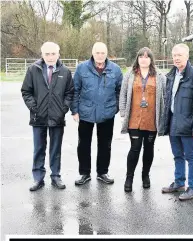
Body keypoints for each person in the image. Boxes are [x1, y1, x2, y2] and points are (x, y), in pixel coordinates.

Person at [21, 41, 74, 191]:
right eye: (47, 54)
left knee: (55, 148)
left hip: (57, 118)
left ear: (58, 54)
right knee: (39, 148)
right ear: (42, 54)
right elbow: (26, 91)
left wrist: (63, 108)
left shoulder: (65, 71)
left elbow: (70, 92)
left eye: (53, 54)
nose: (50, 57)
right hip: (38, 117)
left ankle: (56, 176)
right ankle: (38, 178)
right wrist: (34, 107)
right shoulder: (33, 70)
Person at [70, 42, 123, 186]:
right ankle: (84, 173)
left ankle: (102, 172)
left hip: (107, 113)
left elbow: (120, 91)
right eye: (97, 53)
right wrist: (74, 110)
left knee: (105, 144)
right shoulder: (82, 68)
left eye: (103, 53)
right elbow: (75, 90)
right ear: (92, 53)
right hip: (85, 113)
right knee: (83, 144)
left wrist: (115, 108)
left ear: (107, 54)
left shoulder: (116, 70)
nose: (100, 56)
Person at [160, 43, 193, 200]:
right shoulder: (171, 75)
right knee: (177, 155)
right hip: (173, 122)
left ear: (187, 56)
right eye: (174, 55)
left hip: (189, 124)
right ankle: (179, 183)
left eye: (179, 55)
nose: (176, 58)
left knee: (191, 156)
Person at [119, 47, 166, 192]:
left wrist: (163, 116)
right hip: (134, 119)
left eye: (146, 57)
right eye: (141, 56)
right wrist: (122, 111)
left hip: (152, 119)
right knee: (135, 148)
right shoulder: (130, 75)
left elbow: (165, 96)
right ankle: (129, 177)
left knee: (149, 148)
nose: (143, 59)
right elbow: (123, 94)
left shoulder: (159, 76)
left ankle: (145, 175)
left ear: (151, 59)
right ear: (137, 59)